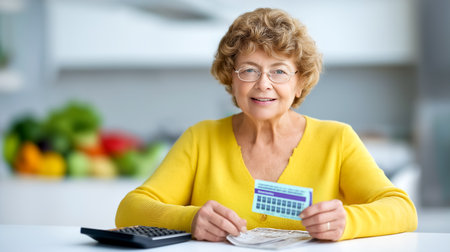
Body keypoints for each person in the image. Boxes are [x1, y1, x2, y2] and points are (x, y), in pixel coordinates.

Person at [115, 8, 417, 242]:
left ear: (300, 82)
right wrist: (190, 219)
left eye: (279, 71)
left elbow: (403, 210)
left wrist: (348, 222)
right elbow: (129, 210)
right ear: (231, 79)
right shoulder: (200, 139)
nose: (263, 85)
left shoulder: (337, 140)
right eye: (249, 70)